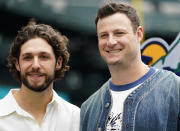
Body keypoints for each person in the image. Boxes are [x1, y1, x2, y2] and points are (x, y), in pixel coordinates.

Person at [80, 2, 180, 131]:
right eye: (104, 35)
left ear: (138, 34)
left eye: (119, 33)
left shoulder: (174, 90)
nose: (111, 42)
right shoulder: (88, 108)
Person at [0, 21, 80, 131]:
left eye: (44, 57)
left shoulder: (75, 118)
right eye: (28, 57)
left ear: (58, 62)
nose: (35, 65)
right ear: (17, 64)